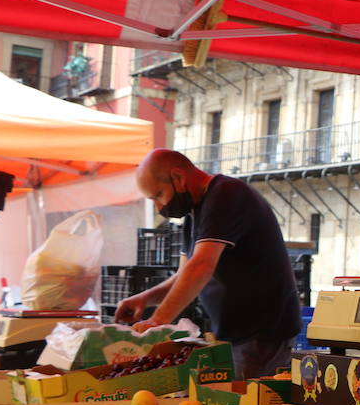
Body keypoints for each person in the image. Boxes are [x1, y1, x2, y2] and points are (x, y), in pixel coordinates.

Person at [116, 149, 300, 380]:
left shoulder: (227, 195)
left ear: (178, 178)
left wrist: (158, 319)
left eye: (158, 195)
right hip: (234, 335)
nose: (159, 208)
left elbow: (201, 267)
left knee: (248, 401)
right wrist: (146, 299)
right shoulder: (193, 214)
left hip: (261, 336)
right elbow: (184, 275)